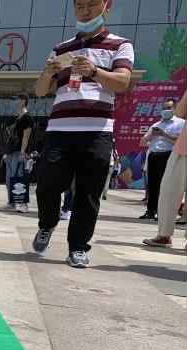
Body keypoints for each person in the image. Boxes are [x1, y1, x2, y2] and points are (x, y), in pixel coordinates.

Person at [32, 0, 134, 269]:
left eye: (92, 4)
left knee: (88, 193)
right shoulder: (62, 48)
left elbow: (122, 82)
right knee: (47, 185)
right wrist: (48, 72)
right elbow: (40, 90)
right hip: (59, 130)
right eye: (80, 5)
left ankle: (78, 247)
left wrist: (94, 71)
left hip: (96, 132)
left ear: (106, 6)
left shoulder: (120, 44)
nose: (85, 11)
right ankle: (47, 224)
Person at [144, 91, 187, 248]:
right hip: (182, 149)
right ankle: (164, 234)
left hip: (178, 150)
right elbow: (181, 110)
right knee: (168, 192)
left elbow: (180, 112)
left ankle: (165, 235)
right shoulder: (159, 123)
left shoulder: (178, 122)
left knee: (168, 191)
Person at [138, 98, 185, 220]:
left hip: (168, 155)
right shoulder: (156, 124)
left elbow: (180, 140)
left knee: (166, 185)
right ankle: (150, 211)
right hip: (153, 155)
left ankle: (162, 213)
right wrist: (151, 135)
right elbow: (142, 141)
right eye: (164, 108)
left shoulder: (180, 123)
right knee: (152, 184)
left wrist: (163, 134)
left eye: (168, 108)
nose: (165, 110)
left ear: (174, 109)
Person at [0, 93, 33, 213]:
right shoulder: (18, 118)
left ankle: (23, 204)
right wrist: (6, 153)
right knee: (10, 179)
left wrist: (22, 153)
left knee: (19, 178)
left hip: (19, 153)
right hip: (11, 153)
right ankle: (11, 203)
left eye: (16, 100)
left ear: (23, 101)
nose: (14, 102)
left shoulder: (27, 118)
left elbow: (26, 137)